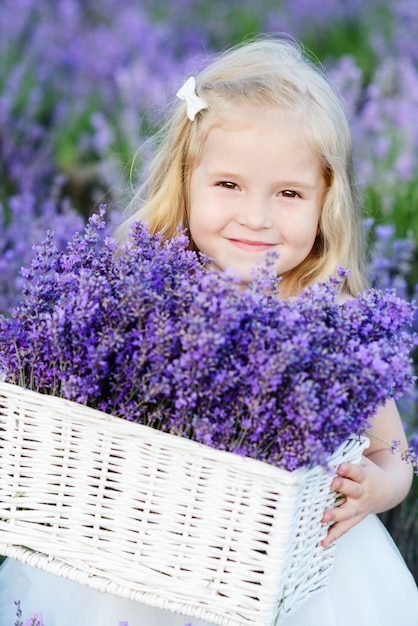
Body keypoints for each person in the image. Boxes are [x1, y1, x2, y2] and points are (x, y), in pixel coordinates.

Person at [1, 35, 417, 626]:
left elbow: (395, 448)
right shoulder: (145, 291)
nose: (256, 216)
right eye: (228, 185)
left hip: (297, 577)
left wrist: (380, 485)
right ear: (186, 181)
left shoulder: (332, 317)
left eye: (289, 193)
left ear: (328, 202)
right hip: (143, 554)